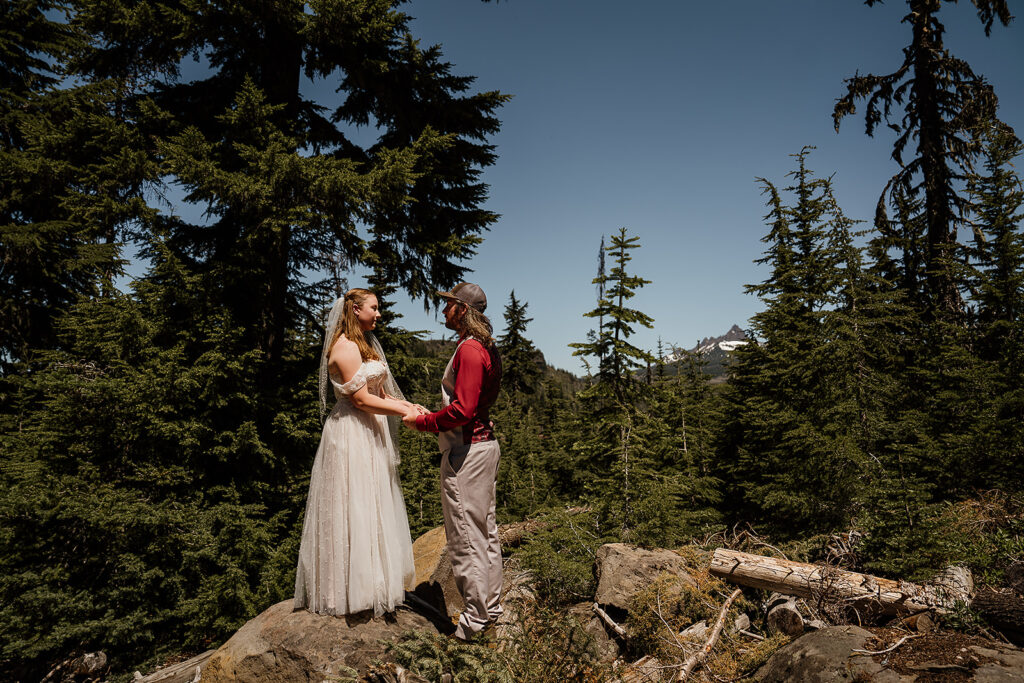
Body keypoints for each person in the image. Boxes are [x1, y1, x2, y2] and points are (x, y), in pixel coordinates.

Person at [294, 288, 418, 617]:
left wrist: (407, 404)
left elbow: (377, 393)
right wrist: (403, 412)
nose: (379, 314)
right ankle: (344, 592)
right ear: (355, 309)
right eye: (374, 308)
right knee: (353, 505)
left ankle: (375, 583)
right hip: (351, 432)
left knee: (373, 501)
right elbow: (361, 400)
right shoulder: (346, 348)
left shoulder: (364, 344)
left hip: (369, 430)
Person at [403, 282, 503, 641]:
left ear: (462, 310)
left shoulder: (471, 350)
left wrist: (425, 421)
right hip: (480, 445)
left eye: (448, 305)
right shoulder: (483, 347)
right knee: (484, 530)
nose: (443, 311)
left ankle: (475, 621)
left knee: (464, 536)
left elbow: (463, 409)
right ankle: (489, 609)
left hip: (467, 451)